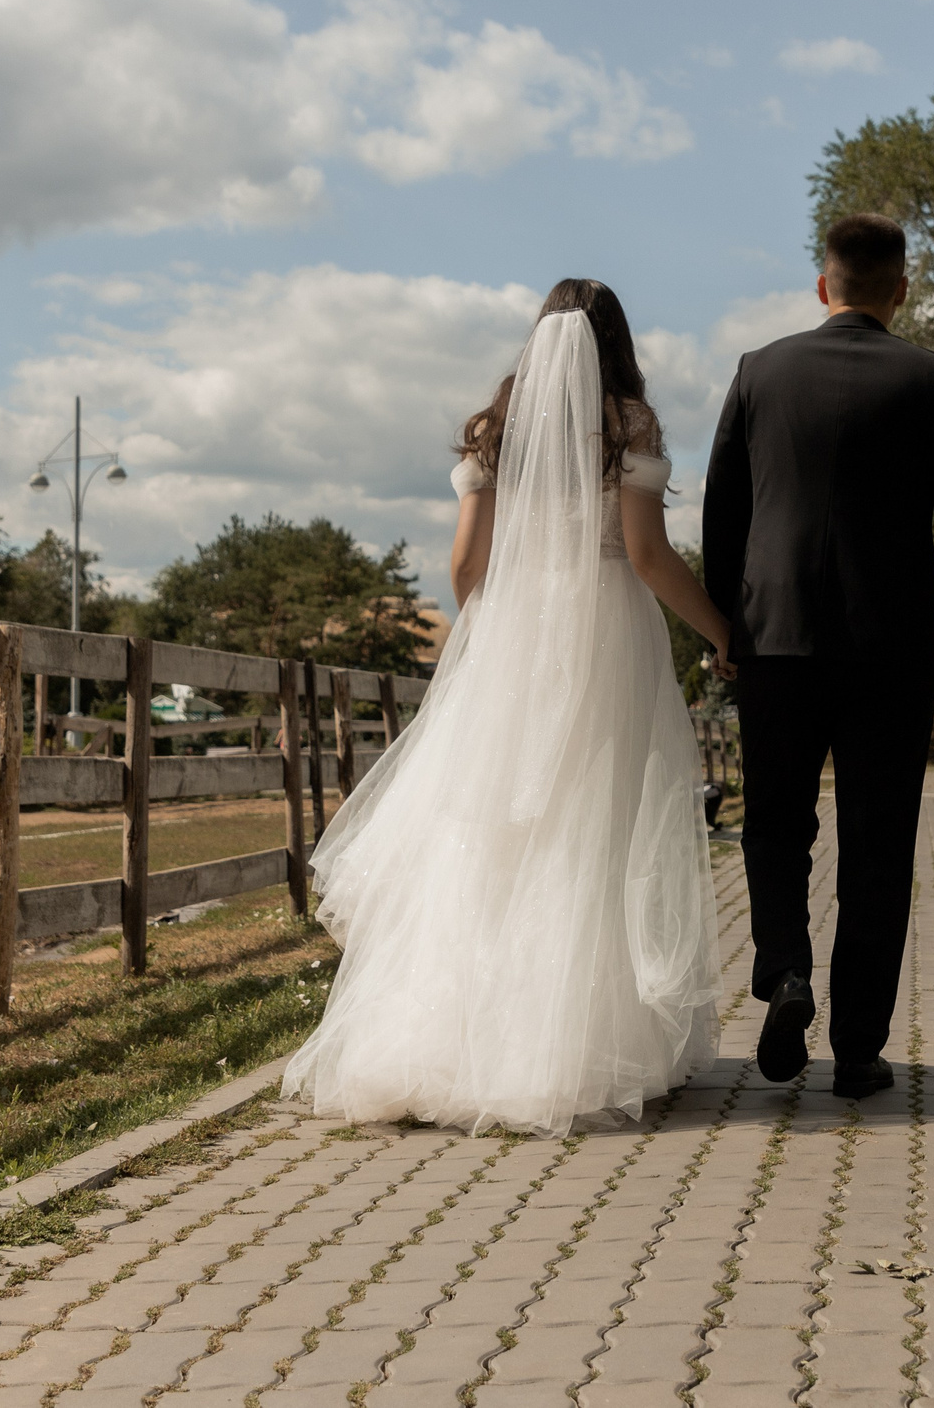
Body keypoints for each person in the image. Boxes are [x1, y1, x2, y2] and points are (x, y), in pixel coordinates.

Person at [283, 281, 729, 1137]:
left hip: (513, 628)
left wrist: (491, 640)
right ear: (615, 343)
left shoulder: (496, 431)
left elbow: (463, 565)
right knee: (591, 826)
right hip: (605, 633)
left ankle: (449, 1043)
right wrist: (719, 628)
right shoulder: (627, 423)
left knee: (489, 833)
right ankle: (573, 1045)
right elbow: (642, 551)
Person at [704, 213, 934, 1100]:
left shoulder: (760, 371)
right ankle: (859, 1049)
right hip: (890, 649)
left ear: (823, 287)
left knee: (776, 823)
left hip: (776, 640)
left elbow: (723, 516)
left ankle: (786, 968)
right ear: (900, 289)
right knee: (877, 840)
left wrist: (726, 627)